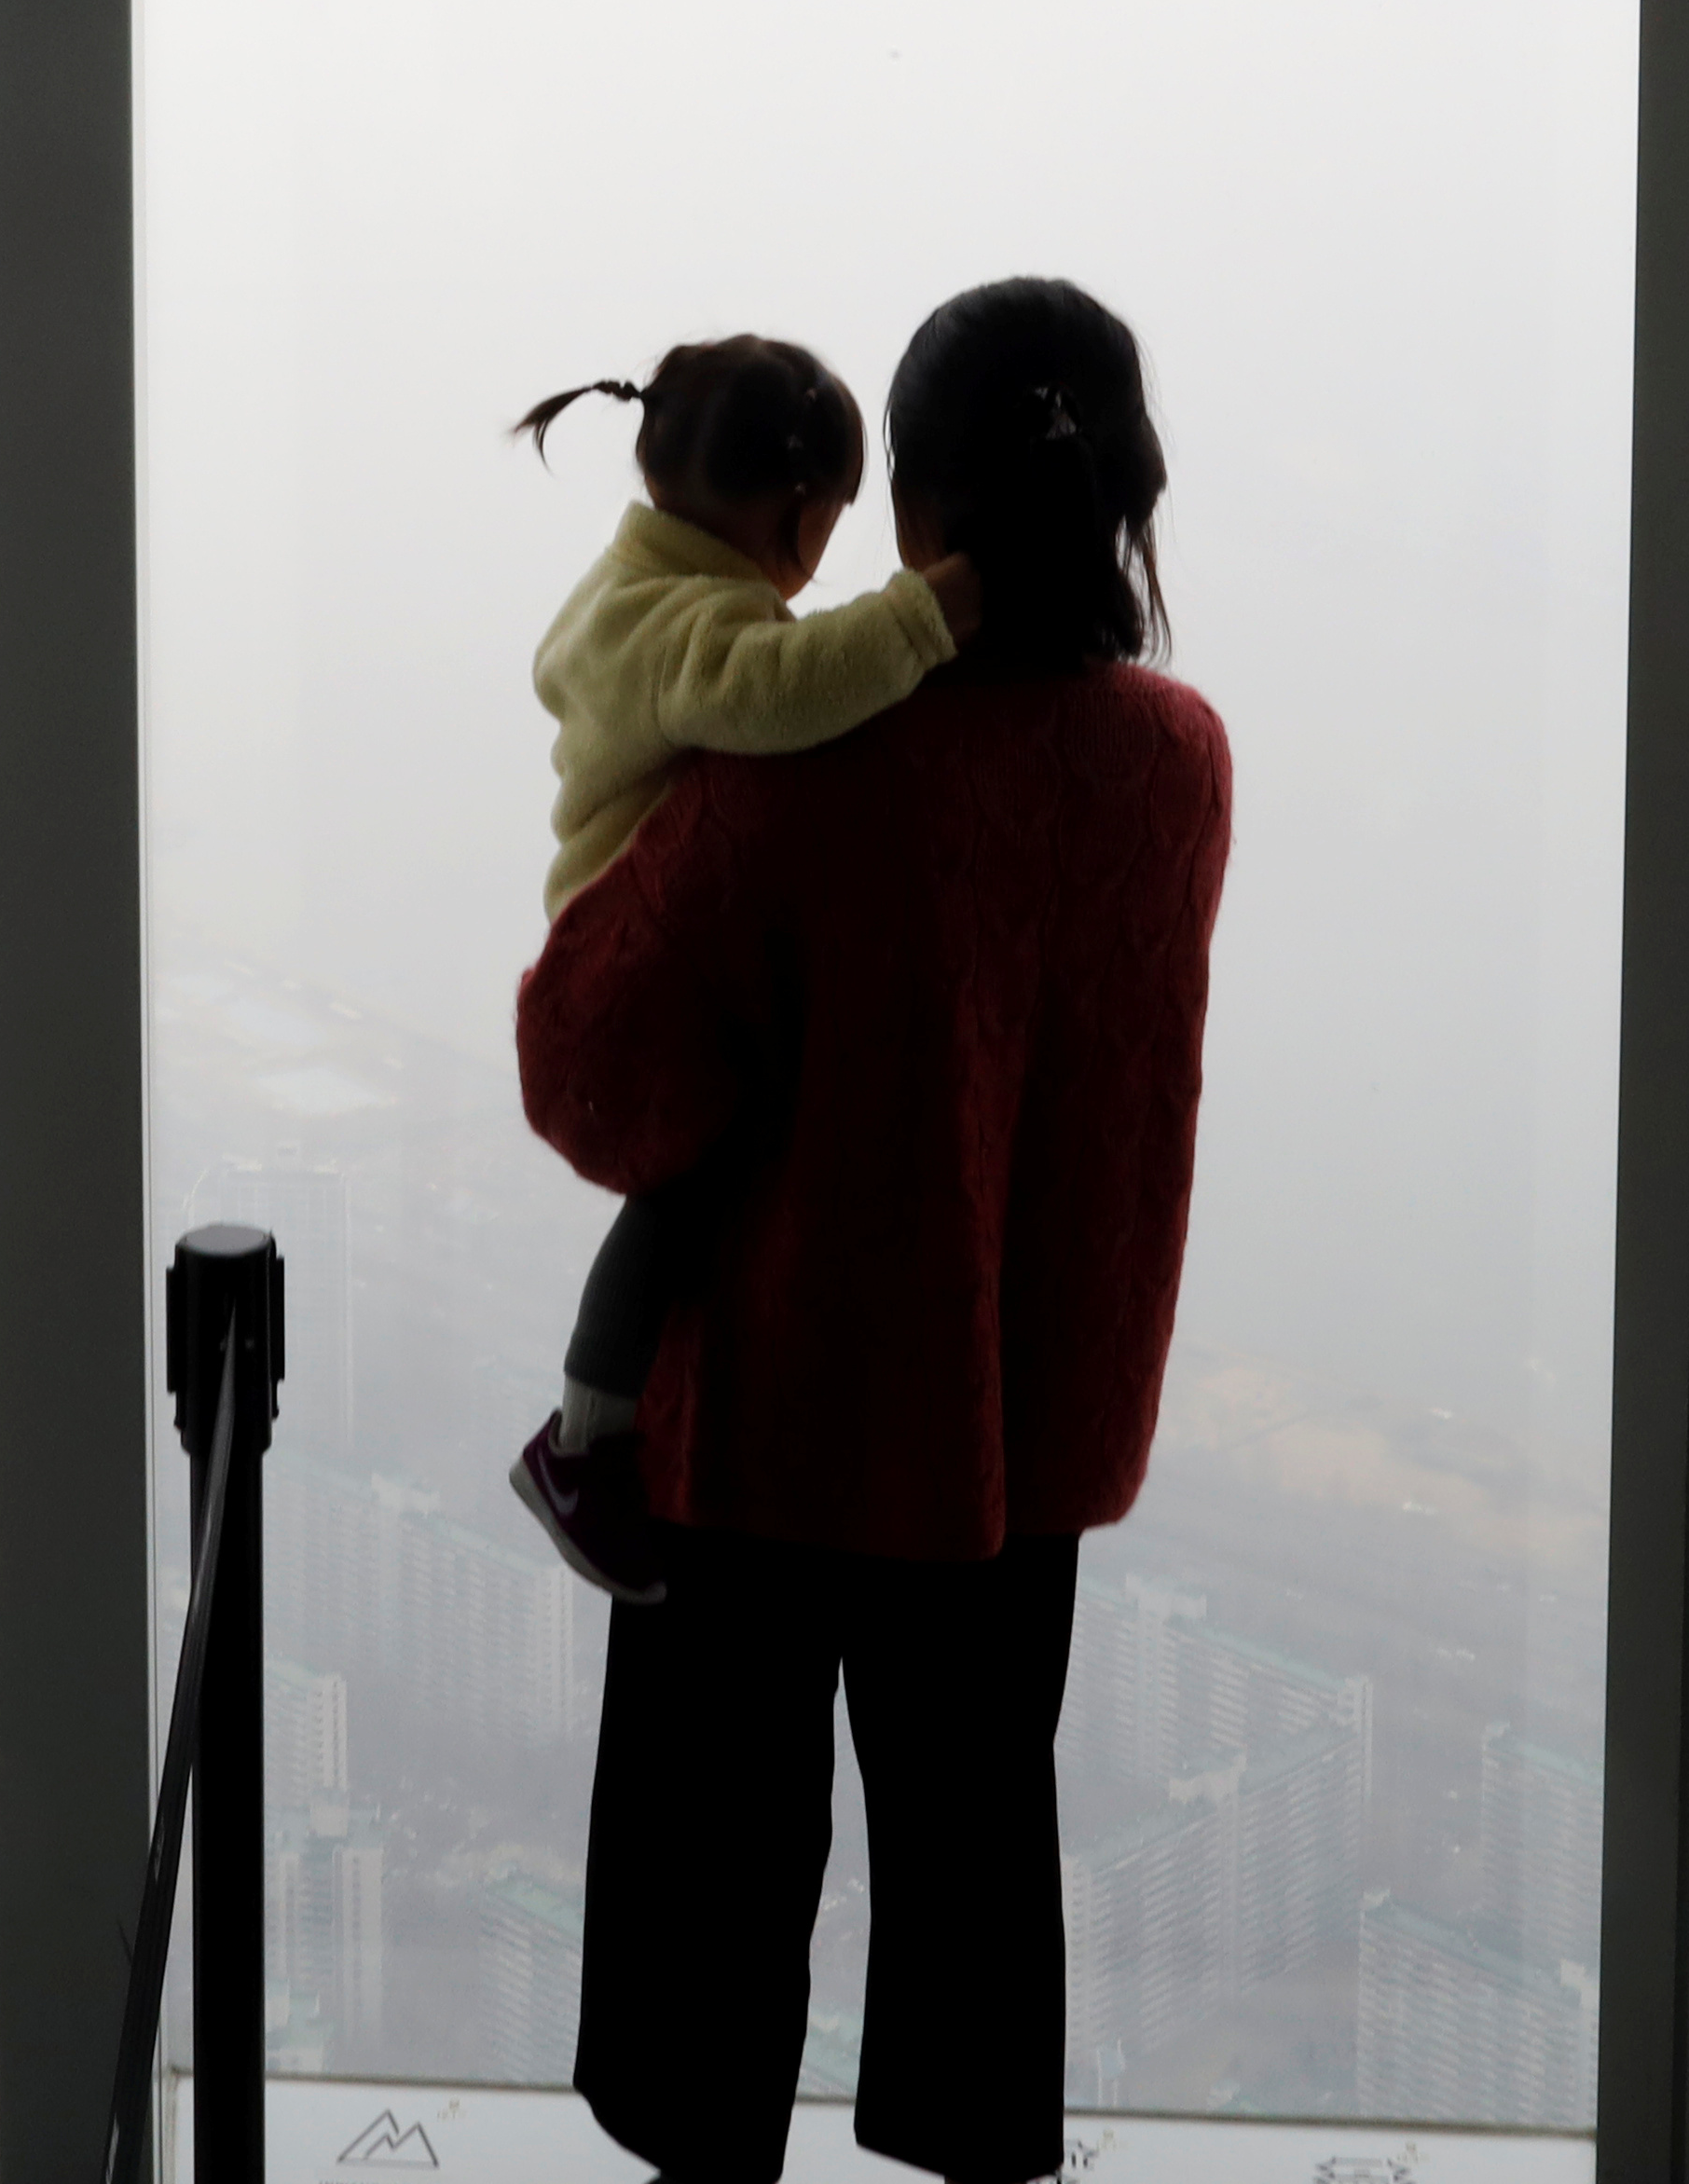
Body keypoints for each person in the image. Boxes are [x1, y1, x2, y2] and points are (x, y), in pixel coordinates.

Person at [514, 277, 1229, 2184]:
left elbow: (594, 1080)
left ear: (910, 515)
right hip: (1021, 1432)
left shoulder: (799, 768)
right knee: (979, 1858)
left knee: (711, 1906)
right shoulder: (1180, 764)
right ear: (1128, 492)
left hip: (765, 1419)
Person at [501, 333, 983, 1597]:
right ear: (795, 510)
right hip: (623, 975)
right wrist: (927, 615)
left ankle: (603, 1428)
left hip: (626, 954)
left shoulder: (639, 591)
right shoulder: (682, 632)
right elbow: (778, 688)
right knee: (690, 1192)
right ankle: (584, 1437)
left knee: (703, 1192)